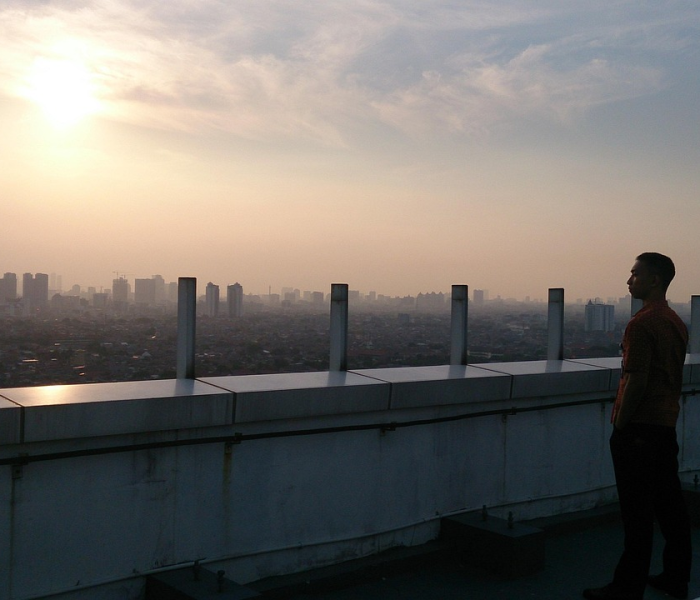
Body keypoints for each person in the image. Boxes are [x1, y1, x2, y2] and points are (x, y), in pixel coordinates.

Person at [583, 253, 691, 600]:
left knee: (637, 513)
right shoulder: (675, 321)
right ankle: (676, 577)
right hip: (665, 423)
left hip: (639, 429)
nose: (629, 281)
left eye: (635, 274)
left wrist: (620, 422)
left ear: (654, 280)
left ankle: (627, 588)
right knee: (670, 507)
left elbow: (635, 379)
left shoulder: (641, 324)